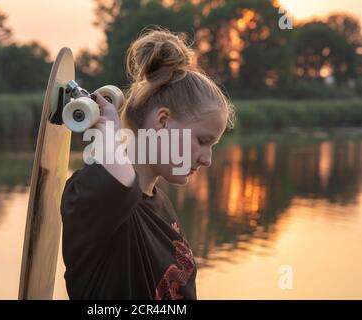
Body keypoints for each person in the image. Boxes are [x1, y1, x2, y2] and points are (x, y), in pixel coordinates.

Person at [61, 28, 235, 300]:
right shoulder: (92, 201)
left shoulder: (161, 205)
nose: (207, 158)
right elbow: (117, 183)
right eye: (202, 140)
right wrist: (106, 126)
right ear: (162, 121)